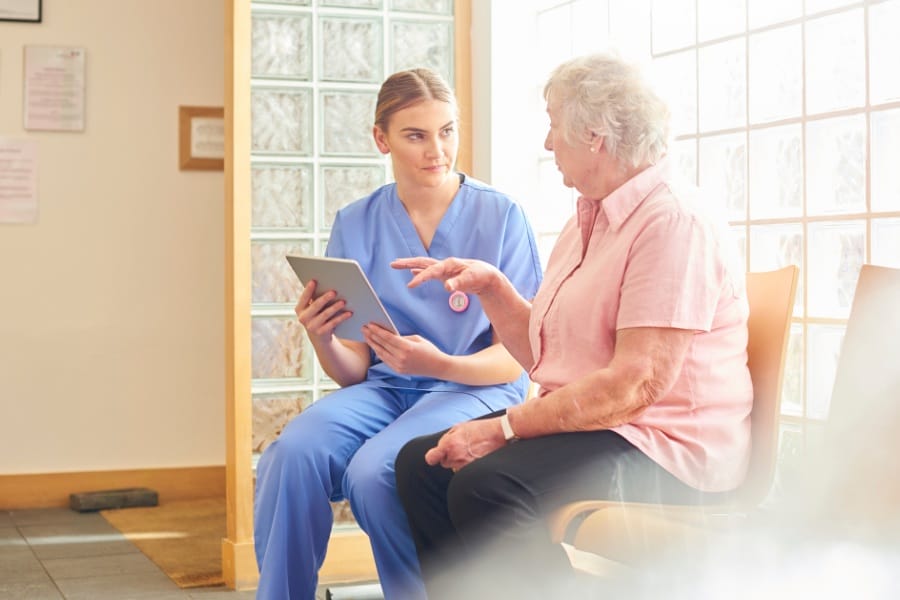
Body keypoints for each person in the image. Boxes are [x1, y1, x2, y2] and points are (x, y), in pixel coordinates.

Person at [393, 52, 752, 599]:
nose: (546, 143)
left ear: (594, 136)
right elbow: (548, 357)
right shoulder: (588, 218)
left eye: (553, 125)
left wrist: (503, 428)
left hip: (666, 447)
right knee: (424, 463)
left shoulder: (673, 222)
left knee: (485, 485)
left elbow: (633, 387)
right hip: (607, 427)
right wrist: (494, 288)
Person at [252, 68, 543, 600]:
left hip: (475, 389)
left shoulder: (501, 217)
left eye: (447, 131)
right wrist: (322, 339)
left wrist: (438, 365)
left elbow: (523, 360)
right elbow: (355, 370)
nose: (438, 150)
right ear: (381, 139)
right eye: (417, 135)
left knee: (374, 472)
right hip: (386, 390)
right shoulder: (356, 221)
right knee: (290, 454)